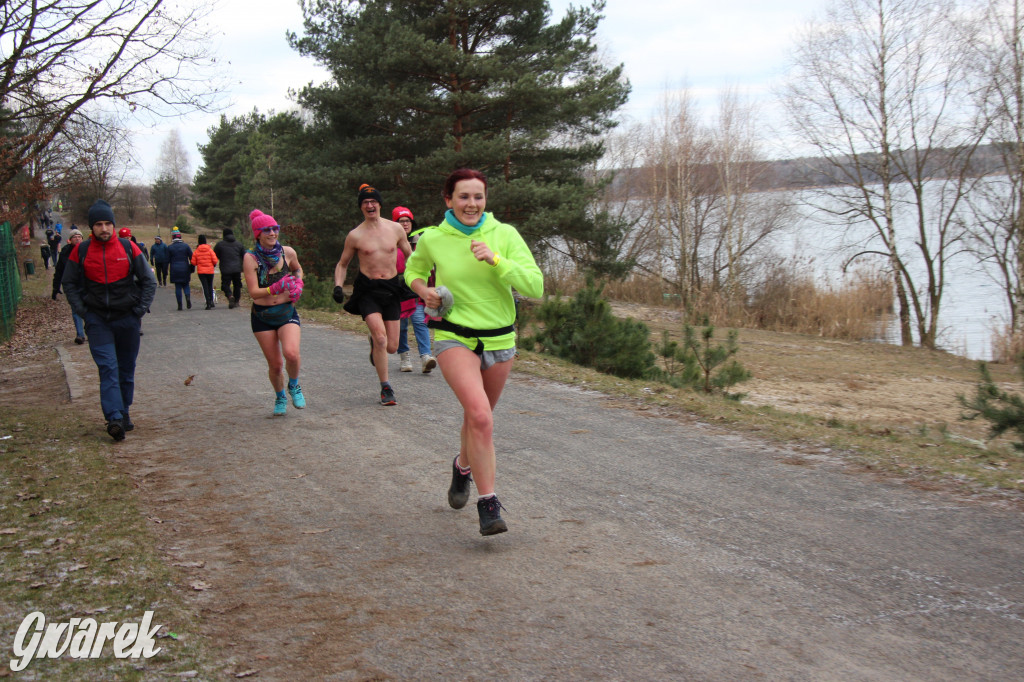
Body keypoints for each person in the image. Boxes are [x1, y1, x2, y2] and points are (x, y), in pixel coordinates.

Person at [405, 169, 543, 536]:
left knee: (476, 418)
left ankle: (462, 466)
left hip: (500, 340)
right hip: (454, 336)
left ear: (486, 199)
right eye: (463, 197)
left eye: (478, 197)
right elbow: (412, 271)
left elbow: (536, 286)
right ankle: (489, 503)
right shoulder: (433, 238)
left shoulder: (505, 235)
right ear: (448, 200)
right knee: (480, 417)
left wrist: (498, 261)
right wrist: (424, 291)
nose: (472, 204)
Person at [61, 200, 157, 441]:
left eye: (107, 224)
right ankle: (113, 418)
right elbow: (69, 283)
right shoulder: (80, 251)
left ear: (113, 225)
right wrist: (83, 311)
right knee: (108, 368)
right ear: (91, 228)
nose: (104, 229)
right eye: (98, 224)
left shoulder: (128, 248)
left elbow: (149, 280)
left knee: (126, 368)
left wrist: (139, 309)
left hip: (127, 319)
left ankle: (124, 412)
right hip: (98, 321)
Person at [334, 184, 413, 406]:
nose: (370, 205)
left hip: (391, 289)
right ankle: (386, 388)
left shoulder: (395, 230)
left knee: (392, 347)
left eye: (373, 202)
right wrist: (338, 286)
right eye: (365, 203)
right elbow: (342, 264)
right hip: (368, 290)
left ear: (379, 204)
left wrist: (417, 280)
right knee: (381, 338)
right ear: (361, 208)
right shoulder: (355, 235)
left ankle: (375, 343)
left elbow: (410, 256)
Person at [244, 209, 306, 416]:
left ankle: (294, 385)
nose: (272, 233)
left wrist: (298, 282)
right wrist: (276, 287)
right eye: (267, 230)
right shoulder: (251, 258)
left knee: (292, 354)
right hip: (263, 315)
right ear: (258, 234)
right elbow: (254, 293)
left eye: (275, 228)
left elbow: (297, 269)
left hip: (286, 311)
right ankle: (280, 397)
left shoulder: (288, 252)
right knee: (276, 365)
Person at [392, 206, 435, 374]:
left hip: (416, 290)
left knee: (419, 321)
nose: (405, 224)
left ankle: (426, 357)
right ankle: (405, 356)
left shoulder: (420, 243)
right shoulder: (390, 243)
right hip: (398, 291)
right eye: (401, 221)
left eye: (407, 221)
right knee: (401, 325)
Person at [51, 228, 86, 344]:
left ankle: (91, 331)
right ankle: (80, 334)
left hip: (87, 284)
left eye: (79, 236)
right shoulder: (65, 252)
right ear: (70, 240)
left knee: (90, 308)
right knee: (76, 309)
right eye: (74, 237)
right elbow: (59, 271)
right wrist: (56, 288)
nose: (77, 238)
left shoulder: (88, 249)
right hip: (72, 285)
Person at [214, 227, 247, 308]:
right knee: (237, 285)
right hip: (237, 269)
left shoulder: (219, 245)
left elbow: (214, 256)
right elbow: (245, 256)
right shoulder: (239, 244)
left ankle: (229, 296)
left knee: (225, 285)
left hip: (225, 269)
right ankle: (236, 301)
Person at [167, 230, 194, 310]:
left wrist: (166, 270)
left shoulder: (170, 247)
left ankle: (179, 304)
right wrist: (192, 267)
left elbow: (167, 259)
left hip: (174, 269)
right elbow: (192, 257)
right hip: (185, 267)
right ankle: (187, 297)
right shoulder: (186, 246)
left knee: (178, 286)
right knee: (186, 285)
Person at [190, 234, 219, 309]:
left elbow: (193, 262)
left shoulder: (196, 251)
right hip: (210, 271)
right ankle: (212, 301)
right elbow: (215, 260)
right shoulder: (210, 250)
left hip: (201, 272)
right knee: (210, 286)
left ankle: (208, 303)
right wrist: (212, 265)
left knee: (205, 287)